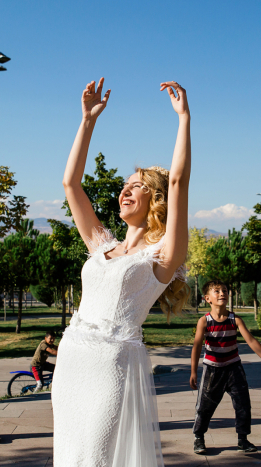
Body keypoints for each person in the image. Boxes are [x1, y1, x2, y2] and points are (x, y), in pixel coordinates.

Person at [52, 78, 191, 467]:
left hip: (111, 366)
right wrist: (87, 121)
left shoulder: (163, 255)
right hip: (72, 358)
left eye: (138, 187)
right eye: (124, 185)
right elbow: (70, 183)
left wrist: (184, 120)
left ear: (157, 198)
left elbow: (179, 181)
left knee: (94, 458)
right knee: (67, 455)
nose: (125, 191)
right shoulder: (101, 244)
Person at [190, 280, 261, 455]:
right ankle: (199, 437)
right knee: (204, 406)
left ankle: (243, 439)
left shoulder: (235, 319)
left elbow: (251, 341)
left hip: (234, 369)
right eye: (217, 291)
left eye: (224, 290)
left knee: (243, 404)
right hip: (212, 370)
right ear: (207, 298)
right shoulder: (204, 321)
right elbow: (197, 346)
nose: (222, 293)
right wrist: (193, 371)